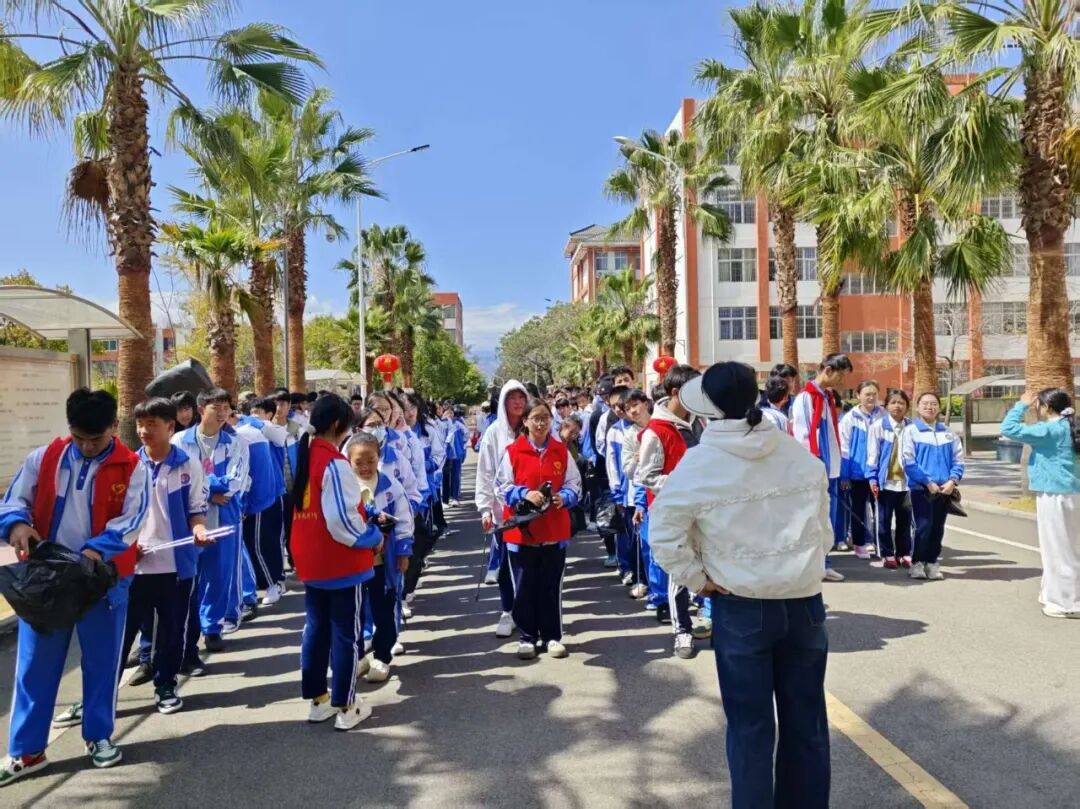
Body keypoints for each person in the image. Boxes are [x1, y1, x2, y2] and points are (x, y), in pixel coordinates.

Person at [648, 362, 833, 809]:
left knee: (750, 732)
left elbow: (664, 535)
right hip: (804, 604)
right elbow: (824, 531)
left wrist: (699, 580)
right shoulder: (794, 452)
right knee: (807, 727)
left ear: (707, 411)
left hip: (743, 606)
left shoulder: (700, 463)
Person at [0, 388, 150, 782]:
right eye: (79, 438)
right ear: (69, 429)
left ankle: (99, 736)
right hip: (47, 580)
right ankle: (27, 752)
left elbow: (133, 521)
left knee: (102, 662)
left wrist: (94, 551)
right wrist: (17, 525)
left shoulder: (133, 466)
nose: (86, 447)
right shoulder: (45, 457)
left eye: (95, 439)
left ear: (113, 428)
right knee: (34, 666)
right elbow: (14, 499)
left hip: (102, 580)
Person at [291, 394, 384, 731]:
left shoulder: (304, 454)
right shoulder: (334, 463)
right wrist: (372, 536)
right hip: (340, 561)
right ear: (337, 425)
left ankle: (319, 699)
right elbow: (341, 522)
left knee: (315, 629)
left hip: (311, 558)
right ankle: (347, 704)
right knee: (346, 633)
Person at [119, 397, 210, 716]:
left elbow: (196, 510)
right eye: (140, 424)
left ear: (171, 426)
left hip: (176, 566)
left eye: (152, 425)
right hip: (135, 567)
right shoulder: (129, 466)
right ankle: (103, 693)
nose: (144, 431)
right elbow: (120, 517)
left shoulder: (188, 464)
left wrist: (198, 531)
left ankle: (166, 685)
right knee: (122, 633)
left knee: (173, 630)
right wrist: (129, 547)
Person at [495, 397, 581, 659]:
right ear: (525, 421)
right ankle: (527, 636)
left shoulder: (560, 451)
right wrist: (523, 494)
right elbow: (501, 486)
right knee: (523, 586)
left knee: (550, 586)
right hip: (521, 534)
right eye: (536, 418)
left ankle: (552, 636)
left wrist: (563, 497)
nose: (541, 423)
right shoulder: (512, 452)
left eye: (545, 417)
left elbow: (574, 483)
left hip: (554, 531)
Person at [172, 388, 248, 655]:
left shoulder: (235, 442)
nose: (222, 413)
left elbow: (235, 481)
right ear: (201, 409)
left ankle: (212, 626)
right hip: (189, 516)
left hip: (225, 515)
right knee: (190, 573)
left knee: (219, 572)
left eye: (226, 407)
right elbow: (179, 478)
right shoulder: (181, 441)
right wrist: (210, 492)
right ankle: (187, 630)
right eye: (216, 407)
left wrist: (210, 489)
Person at [634, 364, 704, 653]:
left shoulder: (700, 422)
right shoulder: (656, 431)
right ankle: (682, 631)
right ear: (676, 393)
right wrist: (682, 481)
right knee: (680, 574)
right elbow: (646, 477)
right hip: (674, 512)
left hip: (703, 509)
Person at [1000, 389, 1080, 617]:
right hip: (1072, 492)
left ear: (1046, 407)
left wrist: (1021, 405)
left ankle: (1064, 603)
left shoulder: (1049, 429)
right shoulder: (1071, 426)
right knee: (1068, 546)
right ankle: (1053, 595)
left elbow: (1008, 428)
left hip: (1054, 493)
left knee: (1057, 548)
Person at [345, 431, 414, 680]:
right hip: (353, 562)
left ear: (379, 458)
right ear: (348, 461)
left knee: (384, 609)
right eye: (359, 462)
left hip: (383, 562)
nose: (365, 467)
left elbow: (405, 519)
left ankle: (383, 656)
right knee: (354, 610)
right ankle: (358, 656)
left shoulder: (390, 486)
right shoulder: (344, 487)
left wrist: (404, 550)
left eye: (371, 461)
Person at [792, 353, 853, 581]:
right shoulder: (806, 398)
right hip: (816, 469)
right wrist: (812, 467)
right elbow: (804, 436)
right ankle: (812, 565)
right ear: (827, 370)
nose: (841, 382)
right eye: (840, 376)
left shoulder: (826, 397)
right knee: (814, 519)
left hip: (831, 467)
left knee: (827, 518)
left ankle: (824, 562)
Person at [476, 379, 530, 638]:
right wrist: (486, 508)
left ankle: (531, 612)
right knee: (508, 564)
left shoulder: (535, 427)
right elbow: (485, 473)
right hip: (504, 511)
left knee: (532, 565)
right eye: (512, 397)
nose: (518, 402)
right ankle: (508, 610)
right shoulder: (494, 433)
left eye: (522, 397)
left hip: (535, 511)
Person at [901, 392, 964, 582]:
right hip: (922, 489)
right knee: (923, 526)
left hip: (944, 489)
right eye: (925, 404)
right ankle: (917, 563)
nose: (930, 407)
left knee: (938, 528)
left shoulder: (948, 433)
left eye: (934, 404)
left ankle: (932, 562)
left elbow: (958, 460)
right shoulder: (911, 431)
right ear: (918, 407)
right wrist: (927, 482)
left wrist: (952, 481)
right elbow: (908, 461)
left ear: (939, 407)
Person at [865, 390, 914, 569]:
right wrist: (872, 478)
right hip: (885, 482)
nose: (897, 406)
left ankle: (904, 553)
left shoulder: (912, 427)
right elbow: (872, 455)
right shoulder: (878, 426)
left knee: (905, 521)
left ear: (907, 407)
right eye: (893, 402)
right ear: (886, 406)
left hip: (907, 483)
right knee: (884, 521)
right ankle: (886, 553)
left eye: (901, 402)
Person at [839, 381, 885, 560]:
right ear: (858, 395)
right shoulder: (850, 418)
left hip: (878, 473)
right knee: (858, 510)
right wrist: (845, 474)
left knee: (880, 511)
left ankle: (879, 543)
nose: (871, 397)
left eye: (874, 393)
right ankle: (859, 545)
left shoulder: (883, 415)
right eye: (867, 394)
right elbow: (844, 447)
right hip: (857, 473)